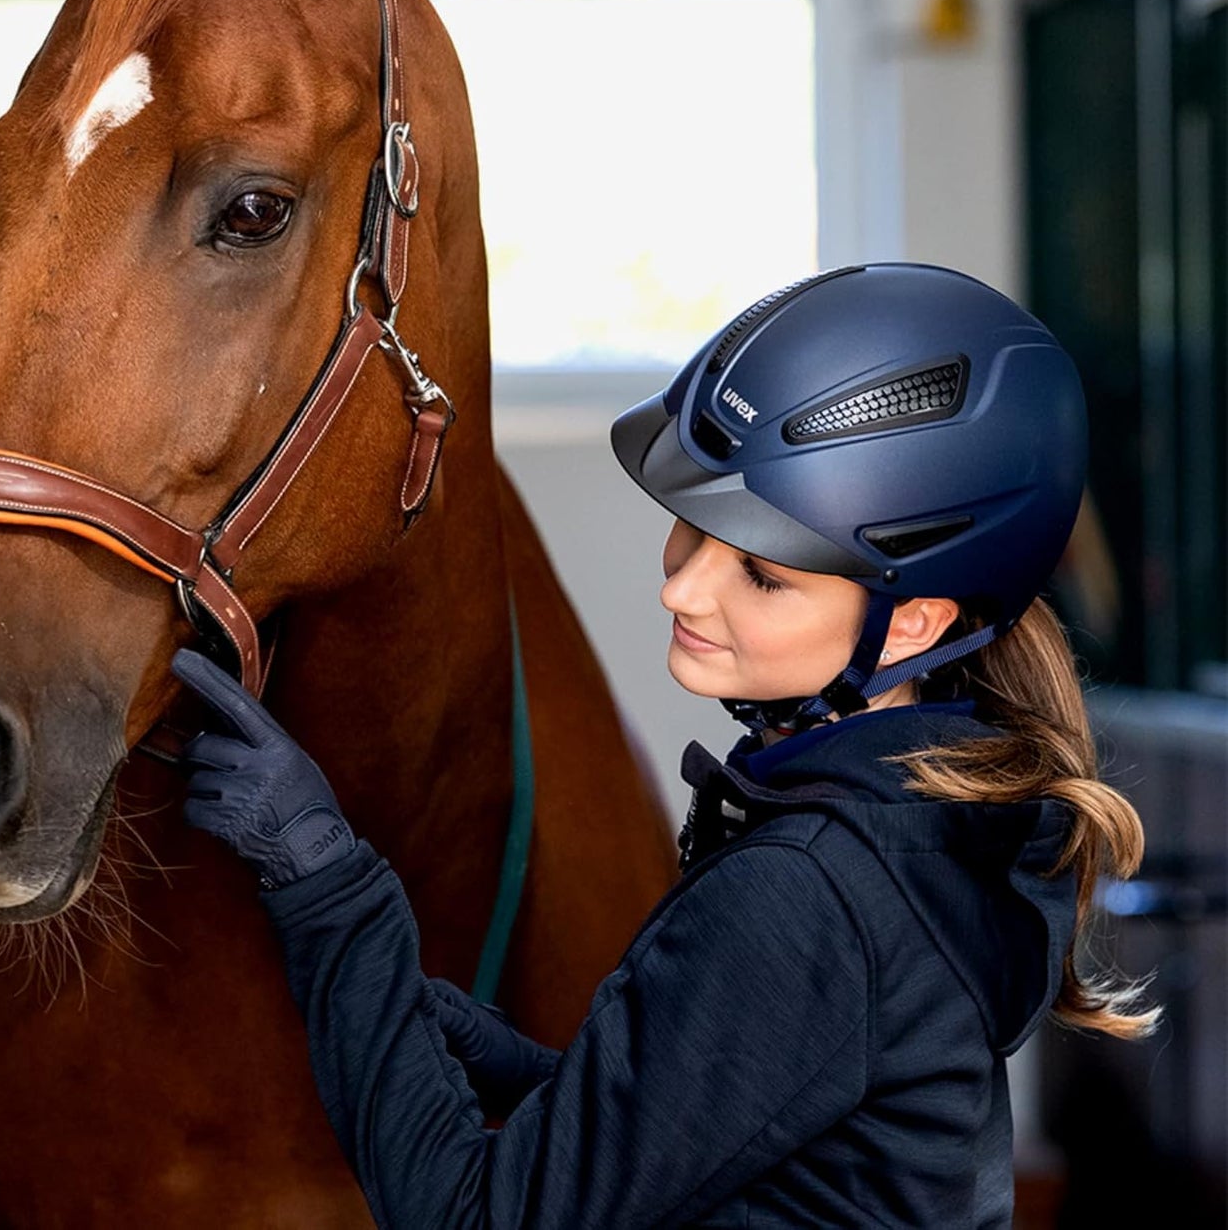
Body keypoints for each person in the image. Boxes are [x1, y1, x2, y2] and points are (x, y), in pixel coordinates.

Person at [172, 262, 1157, 1228]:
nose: (681, 587)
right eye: (692, 526)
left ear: (911, 623)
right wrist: (496, 1055)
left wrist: (326, 882)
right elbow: (760, 1127)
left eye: (761, 574)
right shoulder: (925, 827)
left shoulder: (809, 887)